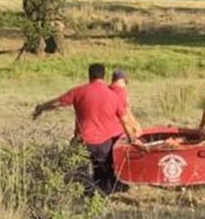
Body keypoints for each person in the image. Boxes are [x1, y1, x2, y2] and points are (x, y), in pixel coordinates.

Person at [32, 63, 140, 194]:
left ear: (89, 76)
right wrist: (132, 139)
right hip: (104, 143)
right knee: (104, 173)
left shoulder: (79, 91)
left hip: (82, 141)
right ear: (104, 76)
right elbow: (125, 121)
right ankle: (102, 195)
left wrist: (42, 107)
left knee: (79, 172)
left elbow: (58, 102)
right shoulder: (113, 96)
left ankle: (86, 193)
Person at [109, 68, 141, 135]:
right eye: (125, 82)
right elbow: (126, 112)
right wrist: (135, 125)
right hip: (117, 129)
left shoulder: (107, 89)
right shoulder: (120, 92)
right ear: (121, 80)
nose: (125, 85)